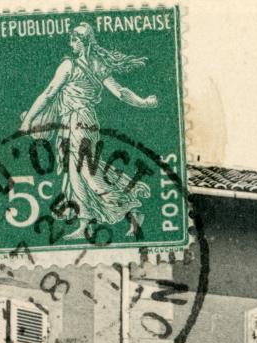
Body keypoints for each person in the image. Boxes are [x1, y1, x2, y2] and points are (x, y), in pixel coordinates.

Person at [17, 23, 159, 233]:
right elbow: (120, 91)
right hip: (76, 122)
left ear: (82, 43)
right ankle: (86, 221)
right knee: (74, 174)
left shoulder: (70, 65)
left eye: (74, 40)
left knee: (88, 172)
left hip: (78, 122)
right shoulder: (97, 65)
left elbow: (48, 94)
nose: (71, 43)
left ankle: (131, 209)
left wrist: (27, 120)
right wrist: (144, 102)